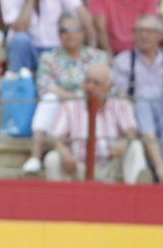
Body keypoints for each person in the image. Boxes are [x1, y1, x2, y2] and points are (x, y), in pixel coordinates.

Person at [22, 13, 105, 175]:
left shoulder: (98, 56)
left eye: (74, 29)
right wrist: (73, 97)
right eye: (64, 30)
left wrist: (74, 96)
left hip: (90, 106)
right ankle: (35, 156)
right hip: (61, 106)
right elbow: (44, 85)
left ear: (83, 32)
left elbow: (104, 85)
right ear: (58, 35)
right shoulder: (49, 57)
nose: (69, 34)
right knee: (49, 100)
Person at [43, 62, 142, 182]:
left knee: (135, 146)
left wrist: (124, 142)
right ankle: (59, 200)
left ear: (109, 87)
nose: (90, 86)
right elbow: (54, 136)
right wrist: (63, 152)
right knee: (53, 158)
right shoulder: (70, 105)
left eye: (96, 83)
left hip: (111, 165)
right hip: (78, 167)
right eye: (87, 81)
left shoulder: (120, 104)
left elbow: (132, 130)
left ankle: (139, 195)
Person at [0, 0, 86, 82]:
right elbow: (20, 28)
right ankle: (21, 87)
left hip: (56, 50)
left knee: (71, 35)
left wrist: (93, 45)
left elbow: (81, 12)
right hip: (28, 51)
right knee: (19, 40)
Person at [114, 13, 163, 101]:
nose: (144, 36)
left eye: (149, 31)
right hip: (133, 110)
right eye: (140, 31)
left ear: (160, 35)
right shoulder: (122, 61)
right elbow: (121, 96)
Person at [87, 0, 160, 55]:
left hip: (141, 52)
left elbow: (150, 26)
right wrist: (109, 55)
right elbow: (100, 28)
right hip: (111, 51)